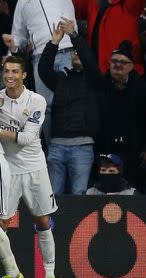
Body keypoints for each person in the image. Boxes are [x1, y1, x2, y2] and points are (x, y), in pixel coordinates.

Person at [0, 56, 65, 278]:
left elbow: (27, 138)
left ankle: (50, 276)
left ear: (24, 75)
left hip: (35, 167)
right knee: (0, 223)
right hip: (7, 168)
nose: (10, 76)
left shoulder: (36, 100)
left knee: (43, 220)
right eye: (6, 71)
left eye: (15, 71)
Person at [38, 18, 100, 195]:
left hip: (83, 146)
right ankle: (52, 224)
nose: (76, 55)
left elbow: (89, 61)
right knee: (53, 195)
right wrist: (54, 42)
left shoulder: (93, 80)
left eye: (79, 53)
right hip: (57, 145)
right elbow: (43, 69)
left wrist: (73, 34)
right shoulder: (61, 79)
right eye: (74, 53)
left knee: (79, 194)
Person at [9, 0, 77, 145]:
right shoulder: (23, 2)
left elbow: (70, 20)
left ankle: (71, 144)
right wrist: (11, 53)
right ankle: (53, 148)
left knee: (71, 100)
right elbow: (18, 34)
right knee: (44, 106)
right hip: (41, 56)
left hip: (67, 50)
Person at [96, 40, 146, 193]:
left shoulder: (141, 87)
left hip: (134, 148)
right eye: (114, 61)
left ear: (131, 66)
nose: (118, 65)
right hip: (106, 146)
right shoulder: (101, 84)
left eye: (123, 62)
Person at [73, 0, 144, 75]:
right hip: (96, 72)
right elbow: (75, 6)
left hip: (124, 74)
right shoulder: (93, 2)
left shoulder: (128, 5)